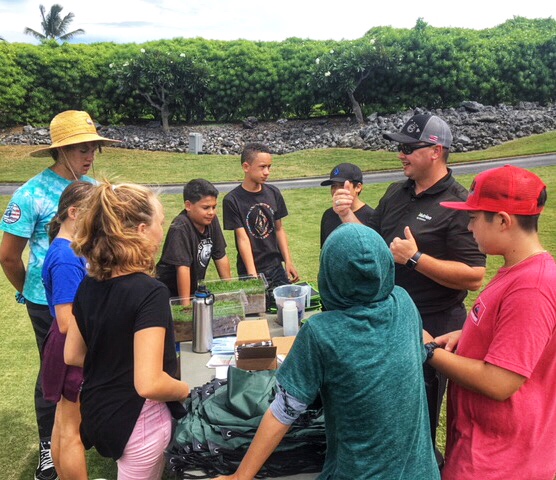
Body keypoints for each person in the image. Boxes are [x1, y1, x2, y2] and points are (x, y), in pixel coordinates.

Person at [215, 223, 440, 480]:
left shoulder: (321, 332)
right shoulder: (404, 302)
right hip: (423, 472)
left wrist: (239, 477)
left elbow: (283, 411)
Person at [332, 113, 486, 463]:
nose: (400, 154)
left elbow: (474, 274)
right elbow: (375, 238)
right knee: (386, 404)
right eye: (399, 147)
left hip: (432, 325)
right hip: (388, 316)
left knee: (420, 412)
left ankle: (422, 464)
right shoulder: (396, 191)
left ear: (435, 151)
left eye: (407, 148)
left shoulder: (456, 203)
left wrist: (416, 258)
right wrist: (347, 216)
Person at [0, 110, 118, 480]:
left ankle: (75, 442)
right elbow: (8, 256)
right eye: (83, 149)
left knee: (82, 372)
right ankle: (50, 453)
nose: (90, 156)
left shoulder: (89, 187)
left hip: (87, 299)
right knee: (54, 374)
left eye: (93, 148)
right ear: (62, 150)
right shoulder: (31, 193)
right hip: (48, 302)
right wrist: (30, 294)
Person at [423, 165, 556, 479]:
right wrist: (467, 334)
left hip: (501, 462)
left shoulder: (531, 287)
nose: (469, 228)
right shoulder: (517, 270)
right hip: (486, 448)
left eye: (473, 218)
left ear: (502, 220)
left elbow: (500, 382)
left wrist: (429, 350)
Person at [64, 182, 190, 480]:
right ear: (143, 229)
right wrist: (189, 390)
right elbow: (148, 383)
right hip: (139, 420)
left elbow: (73, 353)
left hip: (97, 411)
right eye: (160, 223)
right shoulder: (150, 292)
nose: (163, 231)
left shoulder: (88, 284)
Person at [41, 181, 94, 480]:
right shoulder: (65, 257)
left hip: (65, 348)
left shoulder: (69, 249)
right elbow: (65, 320)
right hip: (70, 349)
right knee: (72, 430)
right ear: (74, 213)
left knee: (63, 424)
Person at [222, 142, 298, 293]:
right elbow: (242, 238)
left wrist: (288, 262)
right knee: (256, 313)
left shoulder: (273, 193)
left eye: (269, 167)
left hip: (276, 266)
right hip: (250, 268)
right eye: (262, 167)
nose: (267, 172)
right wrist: (252, 274)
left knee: (284, 307)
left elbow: (279, 229)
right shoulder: (232, 200)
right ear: (246, 167)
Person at [156, 178, 231, 304]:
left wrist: (230, 293)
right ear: (188, 206)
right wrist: (185, 306)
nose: (211, 212)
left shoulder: (211, 220)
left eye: (214, 207)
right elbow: (182, 269)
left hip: (193, 292)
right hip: (168, 295)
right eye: (206, 207)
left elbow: (220, 256)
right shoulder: (180, 227)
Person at [319, 162, 375, 247]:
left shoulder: (372, 217)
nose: (337, 190)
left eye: (342, 185)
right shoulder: (328, 215)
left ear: (358, 187)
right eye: (333, 186)